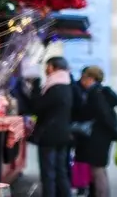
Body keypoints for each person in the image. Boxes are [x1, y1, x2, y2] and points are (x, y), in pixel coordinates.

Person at [26, 56, 75, 197]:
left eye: (47, 66)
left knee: (48, 173)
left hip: (49, 135)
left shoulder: (54, 87)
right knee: (61, 172)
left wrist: (35, 87)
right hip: (64, 134)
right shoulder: (68, 84)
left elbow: (37, 107)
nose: (45, 70)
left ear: (53, 67)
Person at [73, 65, 117, 197]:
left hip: (98, 138)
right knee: (98, 170)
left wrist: (116, 135)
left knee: (97, 171)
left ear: (90, 78)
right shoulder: (101, 92)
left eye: (84, 78)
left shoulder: (95, 93)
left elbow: (103, 115)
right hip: (102, 137)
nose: (82, 81)